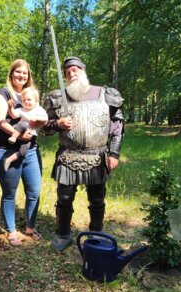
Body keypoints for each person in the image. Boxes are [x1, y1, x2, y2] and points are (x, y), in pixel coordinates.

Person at [42, 56, 125, 251]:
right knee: (64, 199)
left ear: (83, 71)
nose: (71, 73)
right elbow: (44, 127)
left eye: (75, 70)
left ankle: (96, 233)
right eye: (67, 72)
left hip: (96, 157)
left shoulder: (105, 95)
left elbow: (118, 128)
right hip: (67, 156)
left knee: (97, 199)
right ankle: (62, 234)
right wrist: (57, 124)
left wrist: (114, 154)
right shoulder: (57, 97)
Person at [0, 59, 47, 246]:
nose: (21, 76)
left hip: (31, 151)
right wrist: (19, 135)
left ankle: (30, 227)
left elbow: (42, 118)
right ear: (11, 73)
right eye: (18, 72)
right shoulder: (3, 93)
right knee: (10, 193)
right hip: (7, 149)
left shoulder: (30, 95)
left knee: (34, 191)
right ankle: (11, 230)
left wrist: (39, 122)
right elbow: (0, 120)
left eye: (25, 73)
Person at [4, 87, 48, 171]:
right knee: (23, 124)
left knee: (23, 153)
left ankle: (9, 160)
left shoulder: (39, 110)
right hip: (20, 131)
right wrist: (10, 107)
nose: (26, 102)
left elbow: (45, 119)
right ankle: (13, 137)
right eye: (24, 100)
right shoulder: (21, 110)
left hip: (30, 136)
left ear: (36, 101)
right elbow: (13, 115)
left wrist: (37, 118)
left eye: (29, 100)